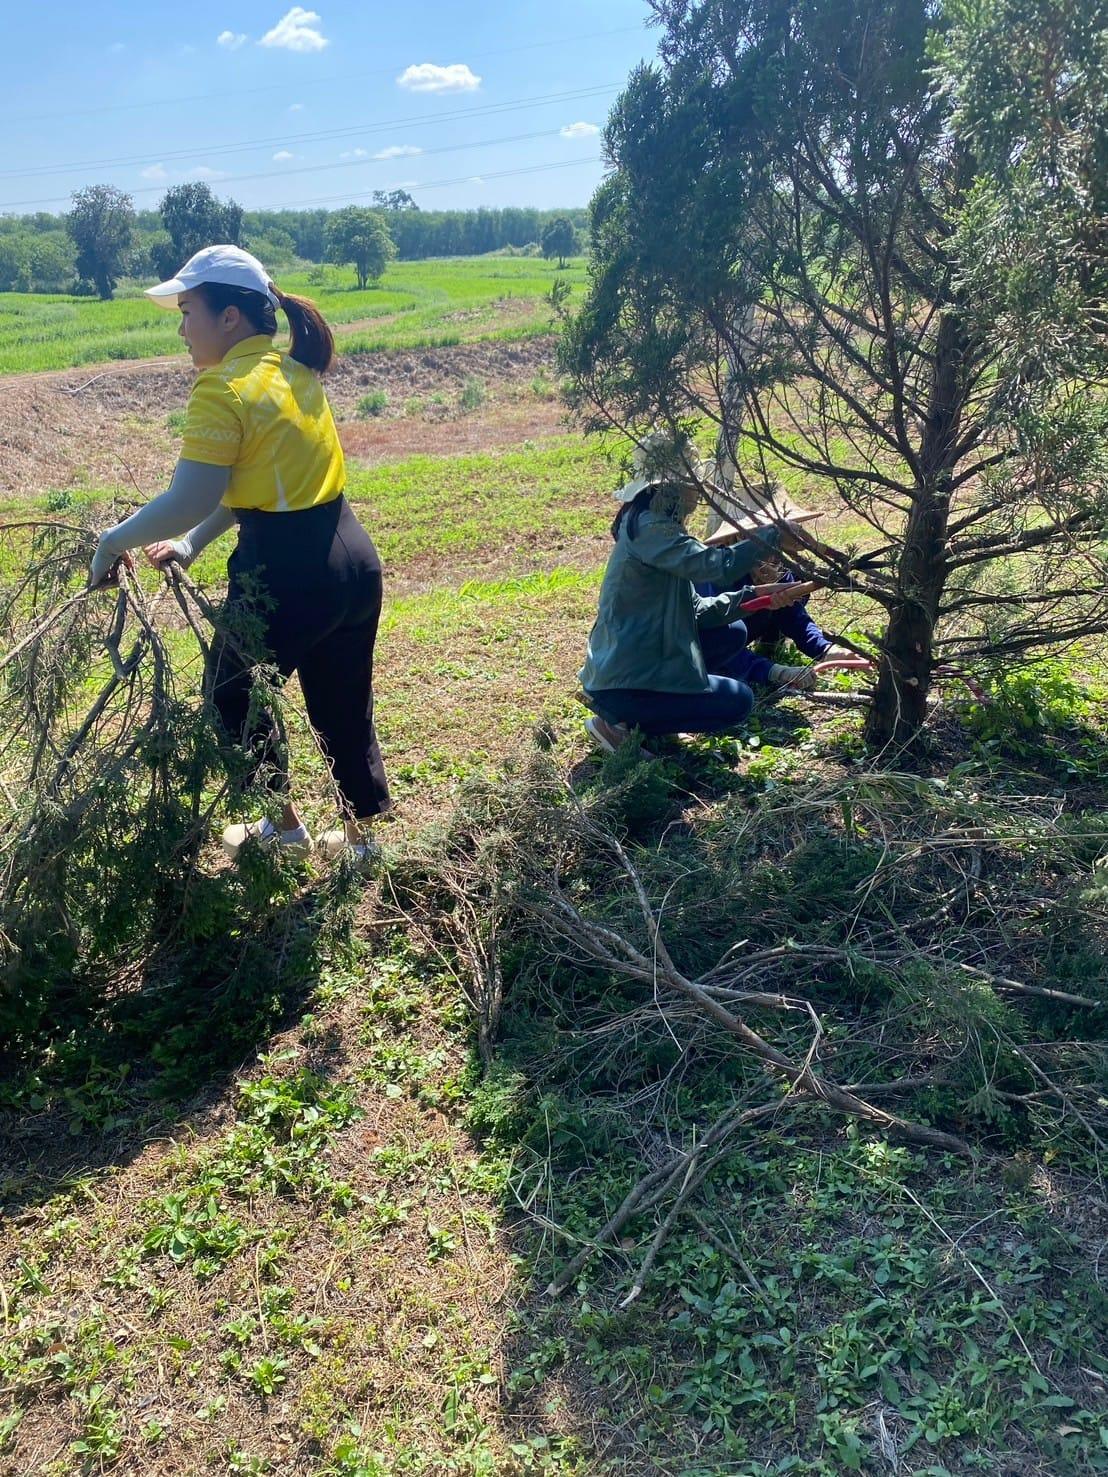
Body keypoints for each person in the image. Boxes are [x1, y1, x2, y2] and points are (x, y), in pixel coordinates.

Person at [87, 244, 389, 862]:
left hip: (283, 574)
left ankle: (283, 830)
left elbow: (189, 494)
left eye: (188, 309)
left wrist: (114, 540)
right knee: (343, 699)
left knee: (232, 695)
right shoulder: (294, 373)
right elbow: (254, 486)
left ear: (230, 318)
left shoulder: (222, 388)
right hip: (353, 561)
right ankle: (363, 842)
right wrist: (194, 542)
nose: (181, 327)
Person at [579, 434, 816, 751]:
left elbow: (699, 611)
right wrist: (772, 535)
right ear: (668, 488)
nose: (696, 494)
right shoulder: (651, 528)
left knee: (731, 632)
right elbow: (713, 565)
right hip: (625, 678)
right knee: (738, 702)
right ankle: (619, 722)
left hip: (640, 667)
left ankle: (652, 715)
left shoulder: (655, 528)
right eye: (691, 485)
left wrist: (760, 596)